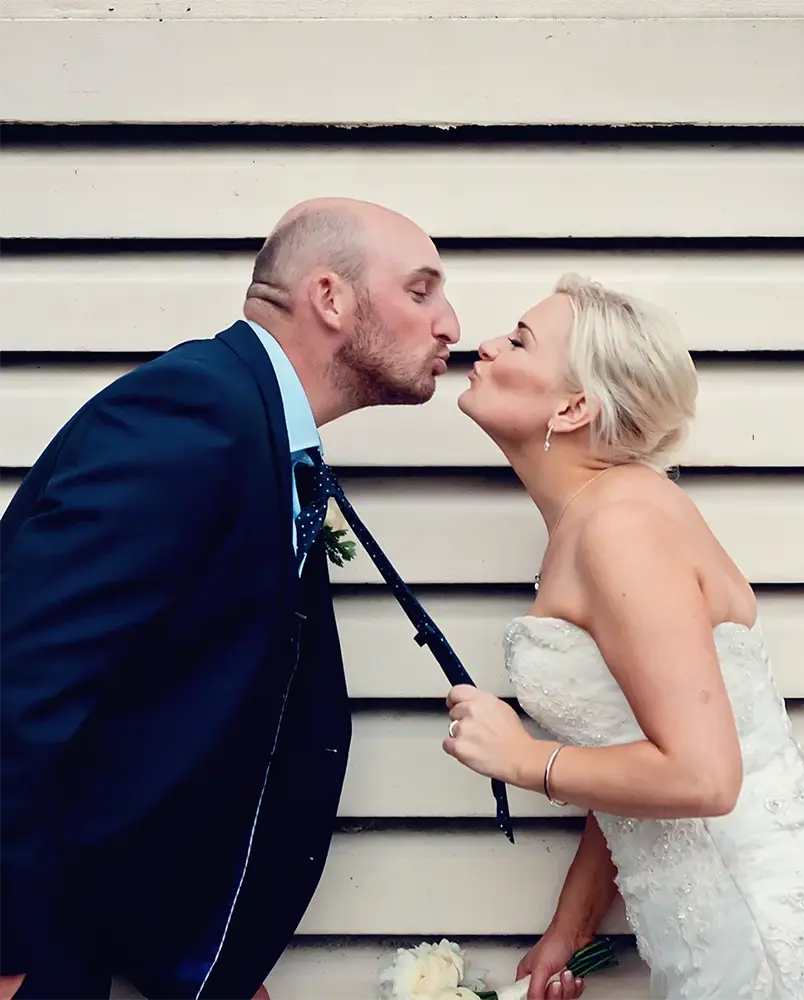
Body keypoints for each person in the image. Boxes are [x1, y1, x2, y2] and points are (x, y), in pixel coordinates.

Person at [0, 198, 460, 1000]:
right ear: (330, 298)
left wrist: (203, 960)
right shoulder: (193, 414)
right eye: (421, 291)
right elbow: (20, 681)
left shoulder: (256, 427)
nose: (450, 323)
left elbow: (162, 710)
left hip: (113, 937)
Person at [442, 274, 804, 1000]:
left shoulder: (621, 528)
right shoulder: (596, 518)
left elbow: (703, 777)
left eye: (520, 339)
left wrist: (525, 760)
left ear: (574, 405)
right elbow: (634, 735)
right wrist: (575, 917)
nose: (486, 345)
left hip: (764, 927)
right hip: (708, 922)